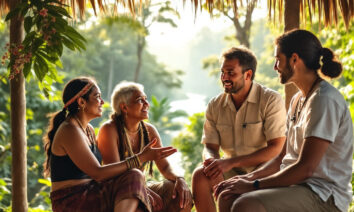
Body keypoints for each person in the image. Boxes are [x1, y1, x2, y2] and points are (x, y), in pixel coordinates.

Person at [215, 29, 353, 212]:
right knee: (228, 196)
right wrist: (246, 179)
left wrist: (253, 185)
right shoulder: (298, 100)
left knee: (245, 204)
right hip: (295, 187)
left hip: (323, 195)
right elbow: (282, 157)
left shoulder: (323, 100)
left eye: (278, 59)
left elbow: (306, 168)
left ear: (294, 59)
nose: (275, 66)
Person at [43, 77, 177, 212]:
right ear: (82, 102)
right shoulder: (70, 130)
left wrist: (145, 189)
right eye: (97, 97)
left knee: (152, 192)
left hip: (92, 192)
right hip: (72, 200)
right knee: (134, 175)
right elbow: (98, 173)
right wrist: (140, 158)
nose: (102, 102)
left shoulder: (87, 129)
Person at [192, 46, 287, 212]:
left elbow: (277, 148)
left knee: (229, 194)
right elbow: (210, 146)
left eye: (230, 73)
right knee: (200, 175)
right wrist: (212, 162)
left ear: (248, 75)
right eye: (222, 72)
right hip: (230, 169)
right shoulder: (215, 105)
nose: (224, 78)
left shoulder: (270, 100)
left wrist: (229, 162)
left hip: (263, 172)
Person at [97, 81, 193, 212]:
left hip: (140, 186)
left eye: (146, 99)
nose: (147, 104)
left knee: (175, 191)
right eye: (140, 100)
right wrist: (142, 190)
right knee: (139, 206)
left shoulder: (149, 131)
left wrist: (179, 178)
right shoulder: (109, 130)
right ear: (124, 108)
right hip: (117, 191)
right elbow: (115, 176)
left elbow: (165, 167)